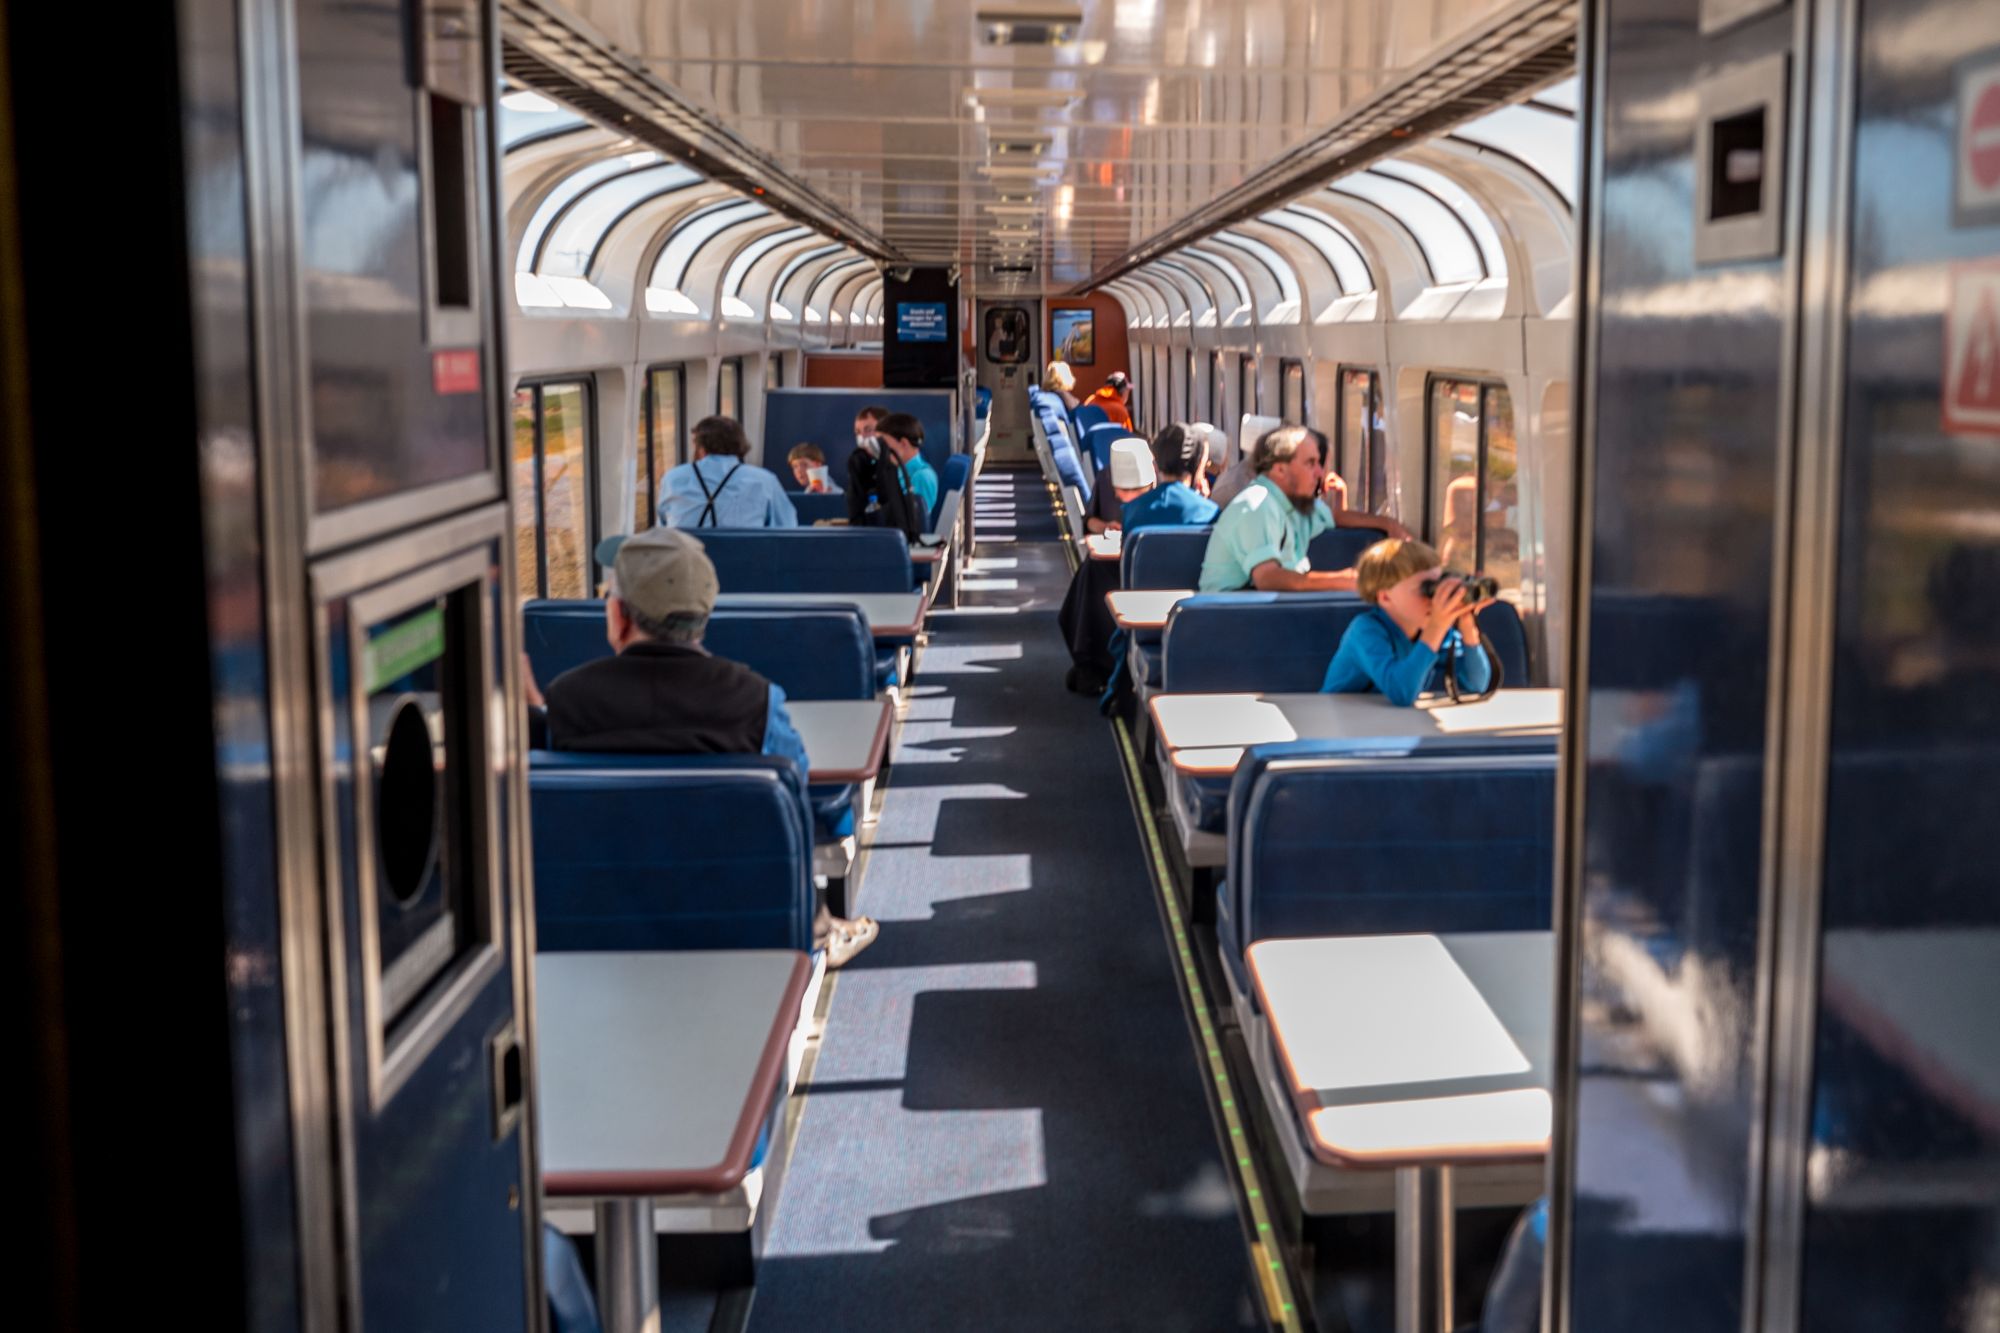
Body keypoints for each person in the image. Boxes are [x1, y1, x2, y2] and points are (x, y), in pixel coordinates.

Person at [523, 528, 878, 966]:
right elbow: (794, 787)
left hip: (593, 930)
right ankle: (820, 926)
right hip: (740, 927)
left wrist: (537, 712)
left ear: (617, 617)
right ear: (704, 617)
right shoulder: (756, 701)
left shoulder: (566, 700)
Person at [1320, 537, 1492, 706]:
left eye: (1437, 586)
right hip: (1340, 721)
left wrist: (1467, 626)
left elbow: (1477, 684)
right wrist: (1436, 628)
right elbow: (1401, 692)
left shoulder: (1434, 631)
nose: (1434, 599)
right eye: (1427, 590)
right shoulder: (1365, 631)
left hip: (1390, 723)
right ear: (1385, 597)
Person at [1198, 425, 1361, 593]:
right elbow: (1267, 578)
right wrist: (1344, 580)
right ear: (1280, 469)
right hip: (1227, 615)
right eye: (1310, 463)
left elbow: (1335, 518)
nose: (1320, 473)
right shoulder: (1257, 504)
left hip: (1261, 612)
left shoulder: (1287, 504)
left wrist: (1388, 525)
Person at [659, 415, 798, 529]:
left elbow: (663, 526)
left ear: (700, 447)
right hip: (745, 561)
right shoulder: (764, 480)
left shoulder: (673, 478)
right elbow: (786, 528)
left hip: (688, 561)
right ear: (740, 444)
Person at [1121, 422, 1221, 532]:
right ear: (1196, 464)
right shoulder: (1210, 513)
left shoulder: (1131, 511)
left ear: (1156, 463)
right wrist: (1202, 500)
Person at [845, 406, 925, 541]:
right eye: (857, 433)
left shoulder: (915, 474)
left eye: (868, 431)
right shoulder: (863, 464)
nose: (862, 438)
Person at [1085, 437, 1156, 534]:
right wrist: (1106, 528)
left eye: (1138, 491)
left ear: (1151, 484)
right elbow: (1089, 521)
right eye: (1125, 491)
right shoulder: (1104, 479)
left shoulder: (1166, 487)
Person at [878, 412, 939, 520]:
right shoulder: (900, 471)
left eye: (884, 445)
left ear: (903, 443)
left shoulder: (921, 477)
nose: (881, 450)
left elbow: (915, 522)